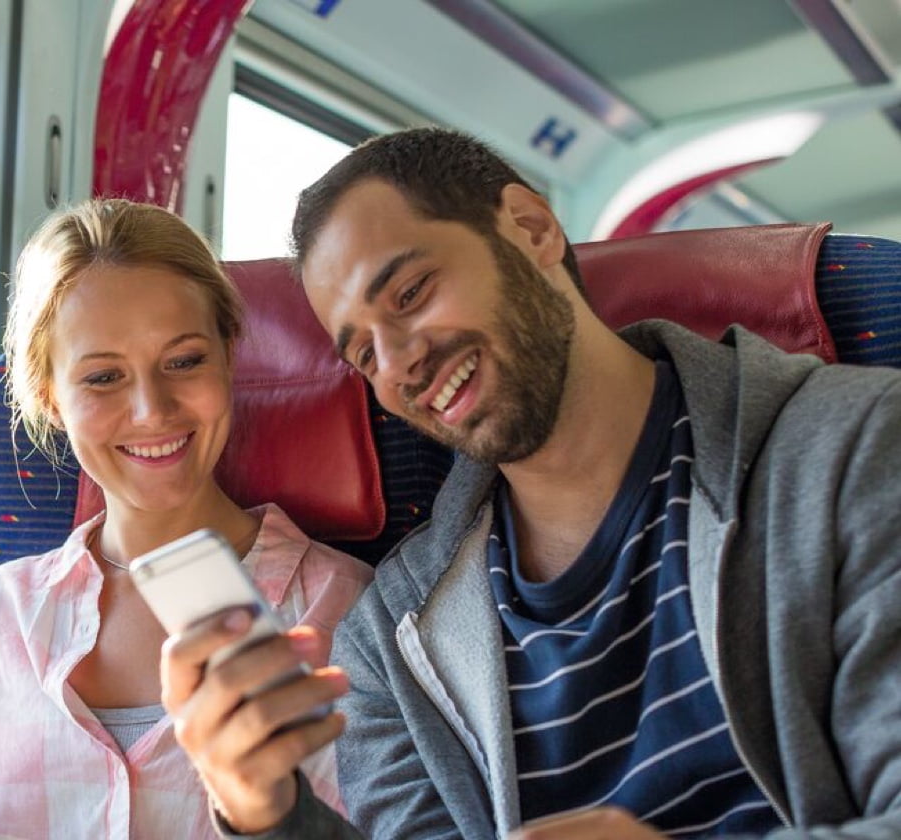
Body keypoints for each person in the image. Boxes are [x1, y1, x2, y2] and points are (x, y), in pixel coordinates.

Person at [162, 128, 901, 839]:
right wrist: (263, 812)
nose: (398, 364)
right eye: (361, 354)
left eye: (412, 292)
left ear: (531, 228)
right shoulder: (391, 638)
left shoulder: (856, 450)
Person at [0, 198, 373, 839]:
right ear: (52, 400)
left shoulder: (349, 613)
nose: (152, 409)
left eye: (185, 360)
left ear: (229, 356)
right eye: (104, 376)